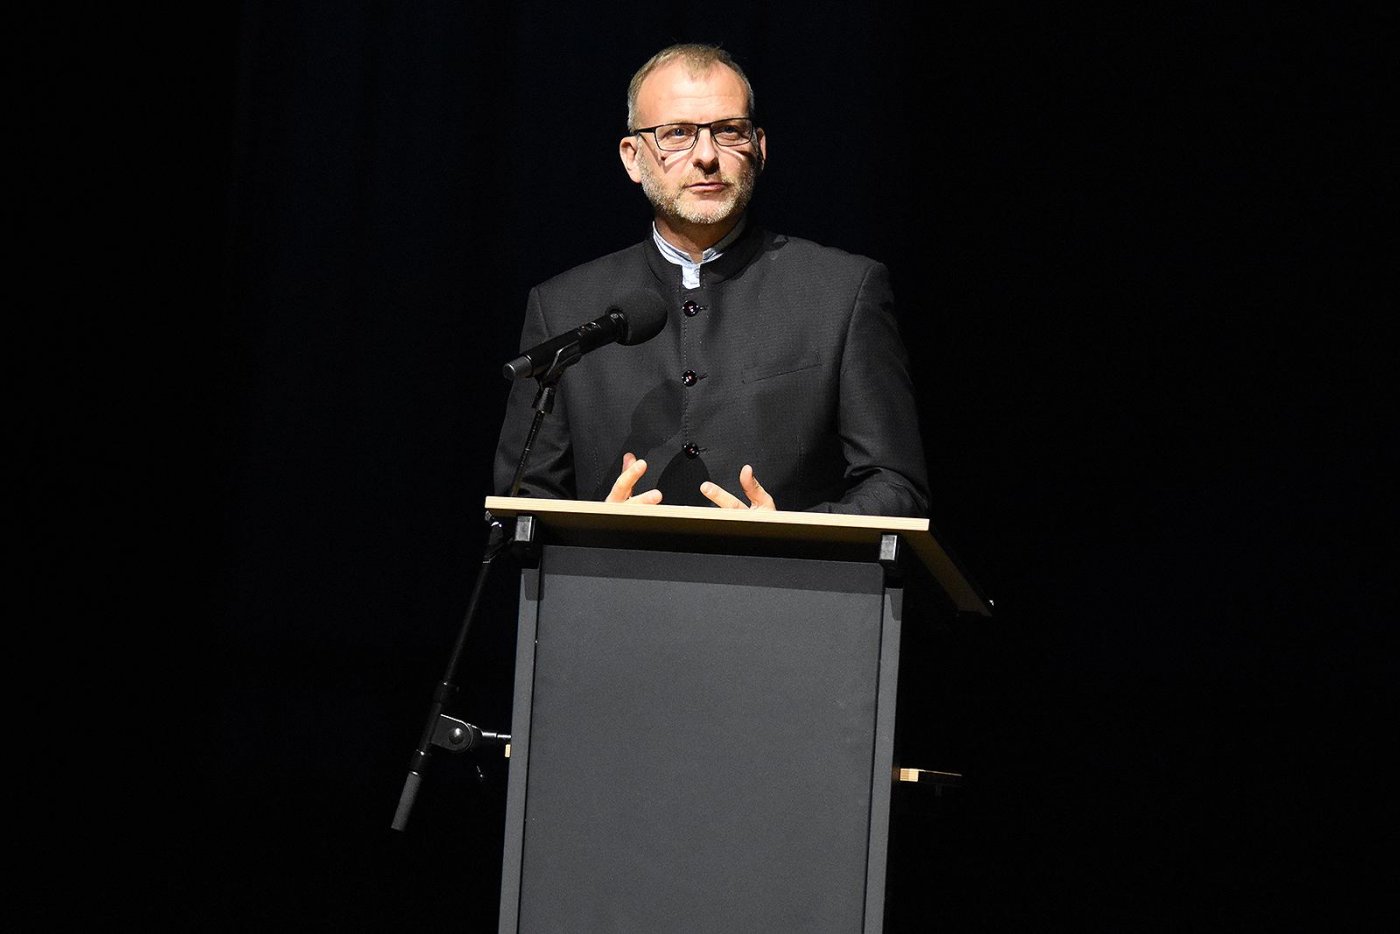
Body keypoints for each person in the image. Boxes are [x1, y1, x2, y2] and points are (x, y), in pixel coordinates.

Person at [493, 43, 929, 516]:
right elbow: (519, 506)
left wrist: (791, 533)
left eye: (728, 131)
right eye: (677, 133)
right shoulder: (563, 307)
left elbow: (896, 488)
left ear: (759, 148)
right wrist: (592, 531)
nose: (706, 155)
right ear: (632, 157)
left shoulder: (842, 292)